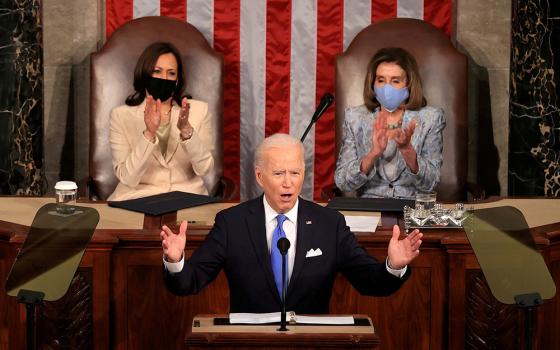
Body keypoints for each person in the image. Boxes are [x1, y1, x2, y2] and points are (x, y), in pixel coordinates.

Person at [161, 133, 423, 314]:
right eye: (278, 173)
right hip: (249, 343)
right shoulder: (232, 223)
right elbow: (189, 282)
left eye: (295, 173)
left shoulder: (328, 223)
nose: (288, 182)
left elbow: (369, 281)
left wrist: (393, 267)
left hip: (312, 343)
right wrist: (175, 261)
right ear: (260, 176)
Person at [108, 42, 215, 201]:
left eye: (171, 73)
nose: (164, 78)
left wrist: (187, 131)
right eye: (157, 71)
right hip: (136, 198)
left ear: (177, 79)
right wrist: (149, 134)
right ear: (144, 74)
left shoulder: (200, 111)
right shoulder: (120, 116)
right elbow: (128, 178)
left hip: (186, 199)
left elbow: (204, 169)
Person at [335, 47, 446, 199]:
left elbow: (431, 183)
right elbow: (343, 183)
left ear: (409, 84)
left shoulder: (430, 119)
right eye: (381, 80)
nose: (387, 88)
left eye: (395, 81)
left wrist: (408, 151)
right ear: (373, 83)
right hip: (369, 209)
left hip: (412, 209)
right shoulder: (355, 118)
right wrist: (373, 154)